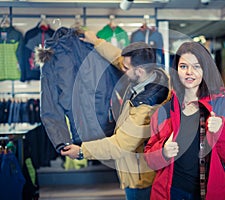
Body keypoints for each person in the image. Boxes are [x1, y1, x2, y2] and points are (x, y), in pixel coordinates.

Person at [61, 31, 171, 200]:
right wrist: (96, 41)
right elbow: (119, 59)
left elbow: (120, 144)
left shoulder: (146, 107)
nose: (122, 68)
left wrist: (83, 151)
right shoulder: (152, 73)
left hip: (141, 180)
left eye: (127, 68)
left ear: (140, 71)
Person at [144, 41, 225, 200]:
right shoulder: (164, 111)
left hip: (211, 194)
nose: (189, 72)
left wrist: (222, 133)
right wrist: (163, 152)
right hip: (170, 194)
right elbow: (150, 160)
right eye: (183, 66)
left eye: (196, 66)